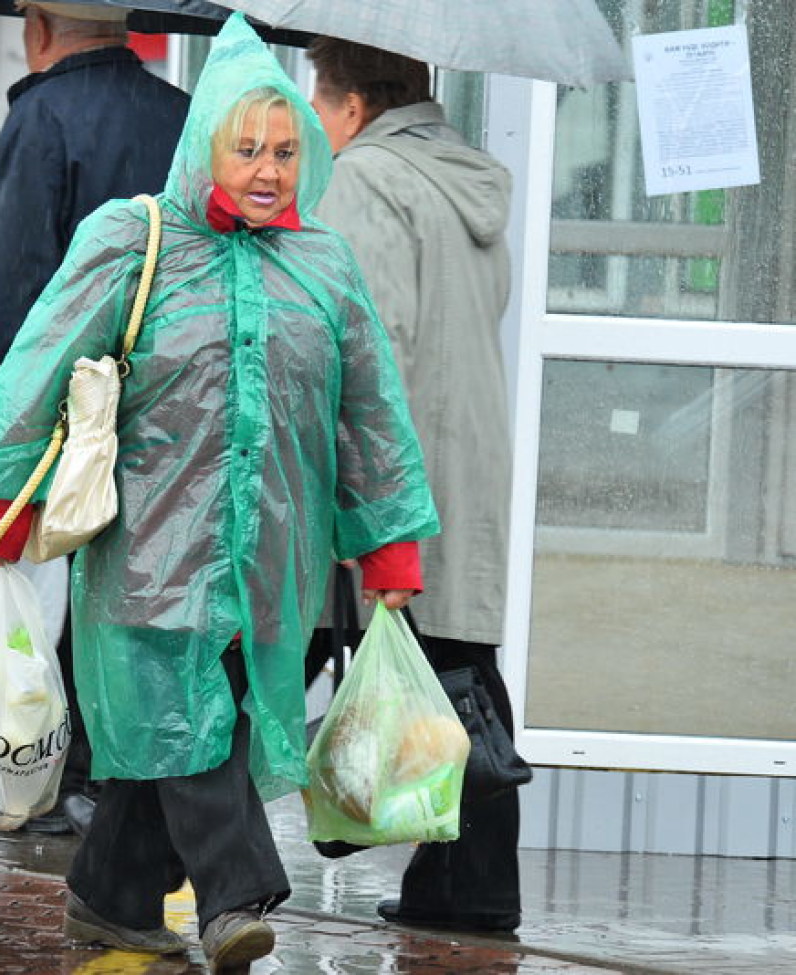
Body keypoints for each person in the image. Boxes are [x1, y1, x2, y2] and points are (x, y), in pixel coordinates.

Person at [0, 14, 439, 972]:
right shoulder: (134, 240)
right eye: (247, 147)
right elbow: (38, 365)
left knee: (192, 734)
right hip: (147, 548)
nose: (268, 169)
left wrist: (388, 545)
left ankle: (111, 894)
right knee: (182, 716)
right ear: (207, 144)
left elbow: (370, 417)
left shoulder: (325, 267)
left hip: (271, 559)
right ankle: (237, 898)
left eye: (287, 150)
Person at [0, 0, 189, 836]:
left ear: (39, 28)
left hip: (67, 400)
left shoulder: (40, 116)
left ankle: (53, 770)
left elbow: (14, 270)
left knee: (58, 573)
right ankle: (117, 774)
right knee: (128, 578)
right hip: (170, 397)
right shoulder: (186, 117)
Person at [307, 38, 521, 934]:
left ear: (354, 106)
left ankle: (180, 860)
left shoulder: (366, 178)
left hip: (395, 472)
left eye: (317, 104)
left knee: (263, 666)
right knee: (459, 671)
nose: (313, 125)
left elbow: (366, 338)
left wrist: (355, 490)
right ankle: (468, 888)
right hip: (467, 456)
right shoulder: (469, 180)